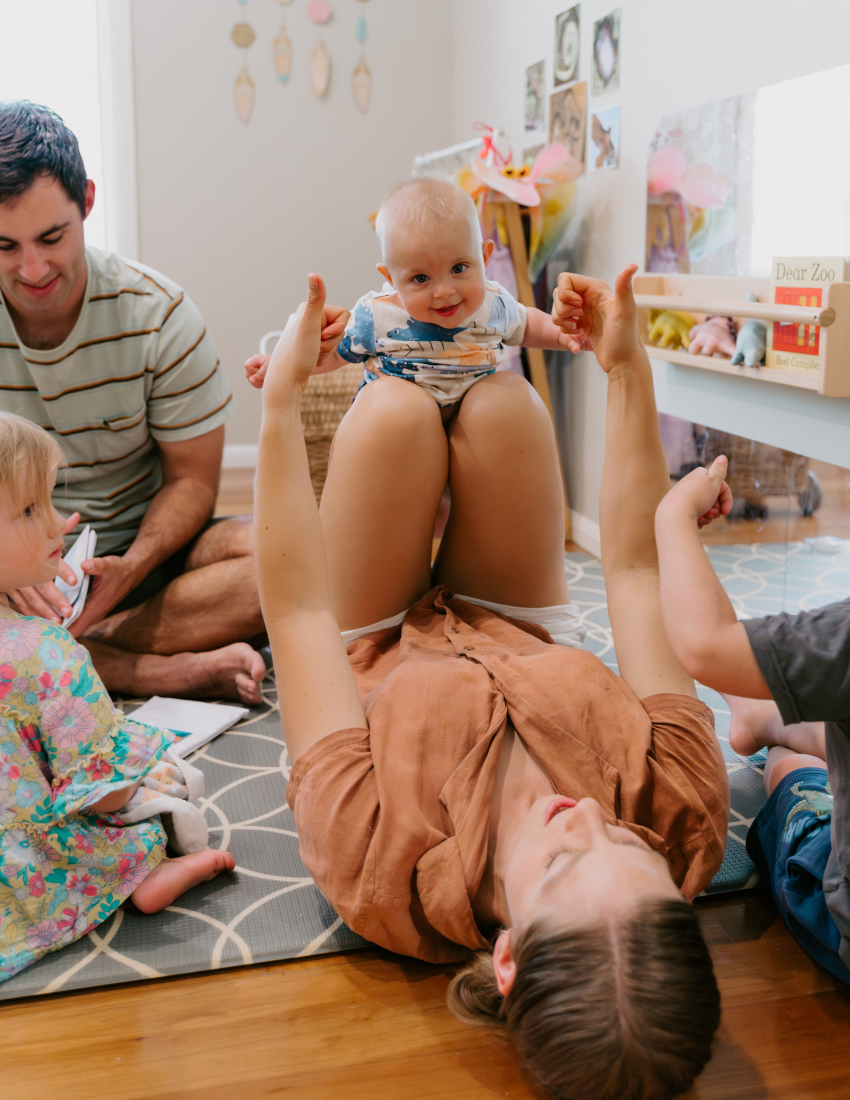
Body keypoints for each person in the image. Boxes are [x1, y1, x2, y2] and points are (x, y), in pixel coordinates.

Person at [253, 268, 729, 1100]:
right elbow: (631, 566)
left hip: (365, 635)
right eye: (628, 844)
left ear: (506, 959)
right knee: (503, 404)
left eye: (560, 864)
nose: (587, 816)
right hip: (519, 622)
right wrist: (627, 368)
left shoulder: (372, 866)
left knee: (398, 415)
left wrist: (283, 403)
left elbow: (297, 611)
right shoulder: (686, 809)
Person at [0, 101, 266, 704]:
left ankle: (69, 651)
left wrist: (133, 566)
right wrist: (14, 576)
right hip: (10, 569)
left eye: (51, 236)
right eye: (5, 246)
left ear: (87, 202)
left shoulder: (161, 316)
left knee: (292, 553)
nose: (33, 268)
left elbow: (193, 483)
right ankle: (164, 672)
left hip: (142, 558)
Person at [0, 411, 234, 983]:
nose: (61, 523)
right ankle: (140, 877)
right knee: (150, 788)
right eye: (32, 510)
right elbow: (105, 795)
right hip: (26, 880)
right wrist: (138, 762)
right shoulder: (46, 653)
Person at [655, 454, 850, 986]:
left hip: (842, 925)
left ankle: (772, 734)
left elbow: (707, 644)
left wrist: (673, 514)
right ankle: (776, 717)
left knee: (803, 784)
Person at [245, 178, 574, 418]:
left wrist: (570, 334)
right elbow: (333, 356)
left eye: (459, 268)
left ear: (485, 259)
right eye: (420, 278)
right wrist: (281, 365)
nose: (444, 291)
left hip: (470, 430)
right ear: (390, 279)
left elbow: (530, 323)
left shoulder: (493, 304)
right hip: (396, 437)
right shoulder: (376, 315)